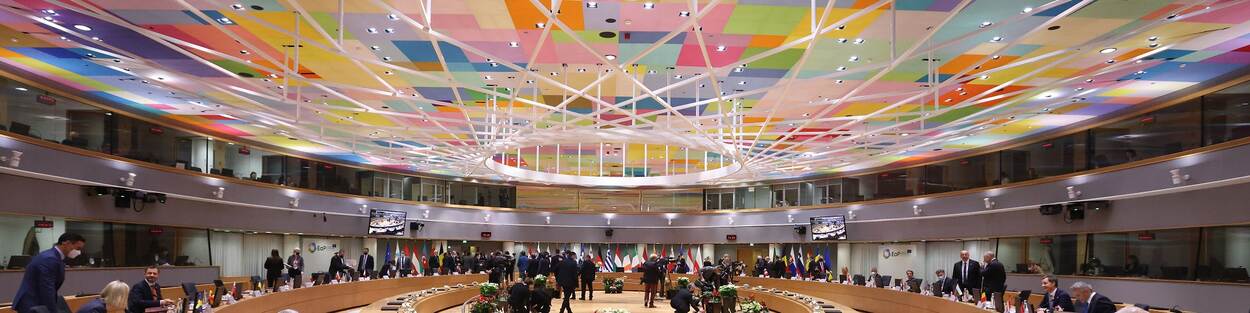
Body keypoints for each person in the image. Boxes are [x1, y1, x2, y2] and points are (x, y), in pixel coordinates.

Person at [14, 233, 86, 313]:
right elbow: (47, 289)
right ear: (66, 243)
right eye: (78, 248)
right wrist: (53, 311)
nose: (79, 252)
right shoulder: (50, 259)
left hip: (37, 302)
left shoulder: (55, 257)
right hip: (33, 304)